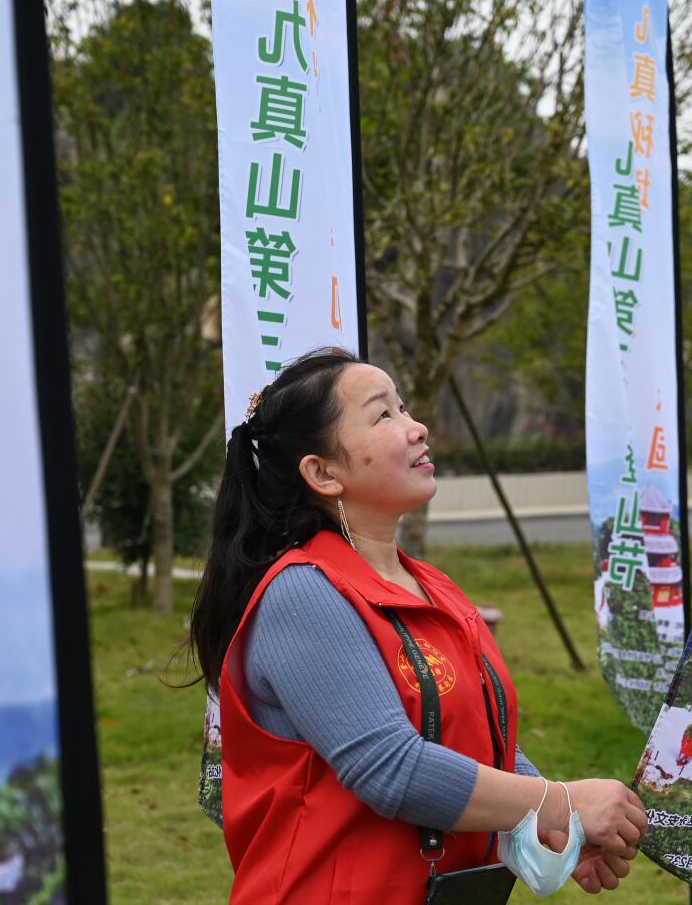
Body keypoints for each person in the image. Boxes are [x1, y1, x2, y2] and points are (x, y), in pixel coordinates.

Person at [189, 348, 647, 903]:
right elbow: (391, 768)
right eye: (384, 415)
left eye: (404, 408)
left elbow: (473, 734)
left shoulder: (431, 585)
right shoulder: (303, 592)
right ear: (323, 472)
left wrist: (551, 824)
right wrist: (559, 800)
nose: (417, 427)